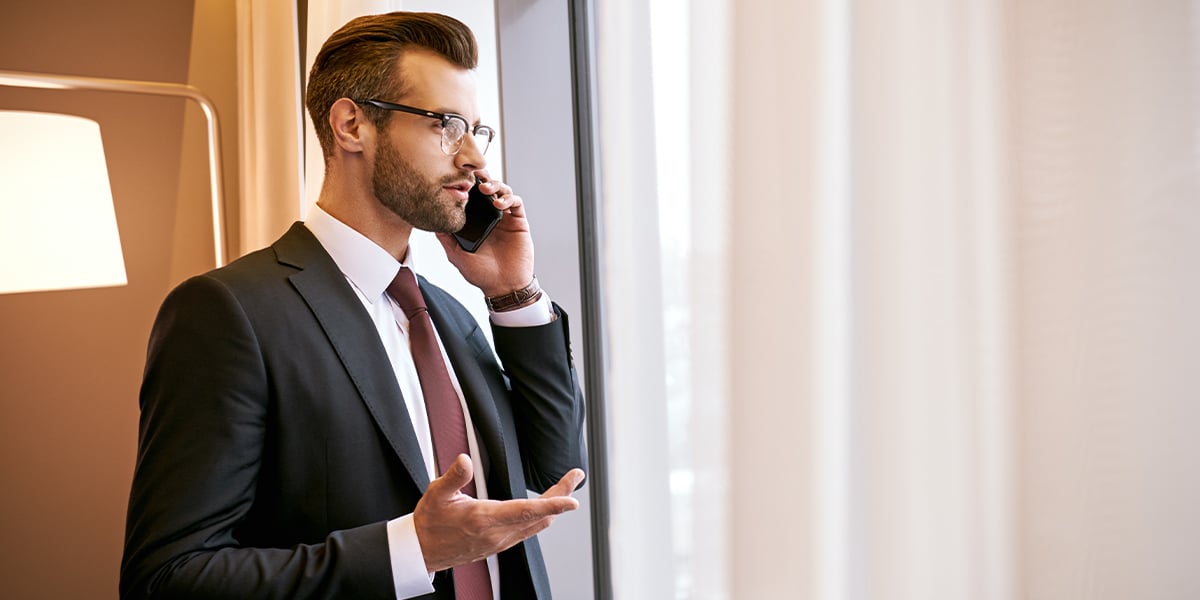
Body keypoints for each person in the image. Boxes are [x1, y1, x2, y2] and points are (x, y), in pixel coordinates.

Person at [120, 11, 587, 600]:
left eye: (477, 130)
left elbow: (555, 477)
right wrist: (412, 549)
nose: (474, 157)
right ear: (351, 125)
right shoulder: (228, 314)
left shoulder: (451, 316)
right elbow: (167, 578)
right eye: (446, 124)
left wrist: (512, 294)